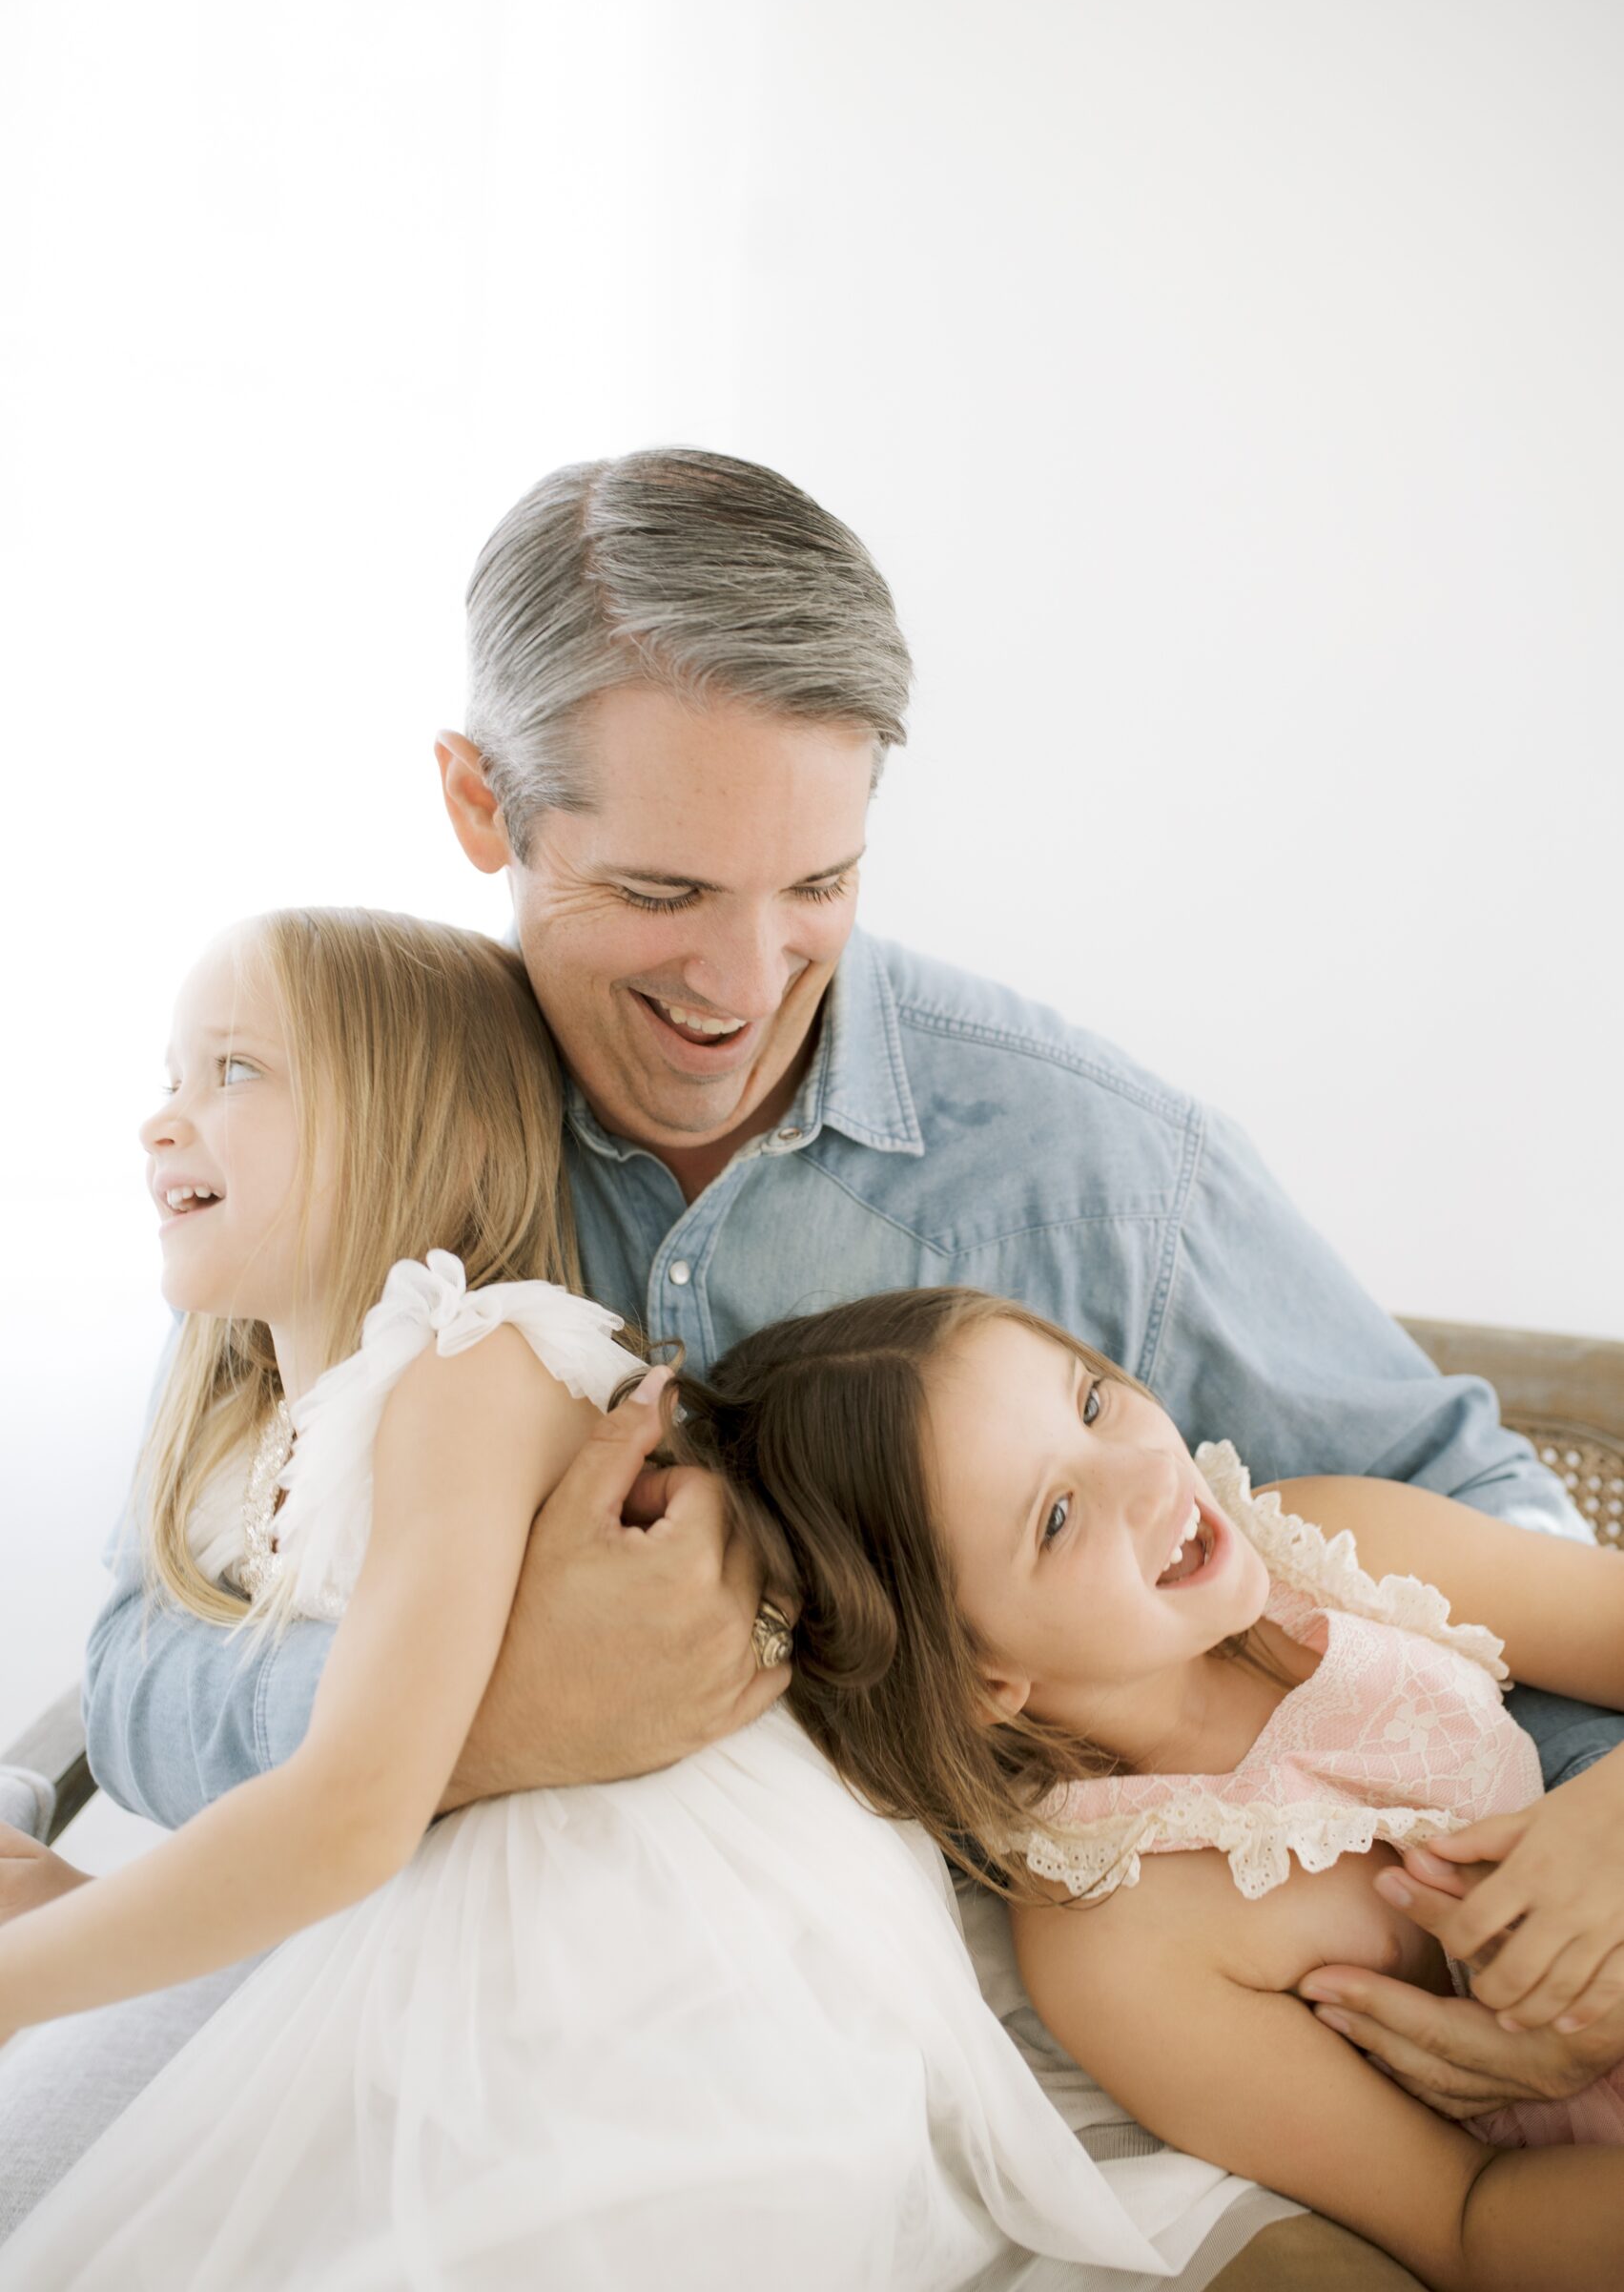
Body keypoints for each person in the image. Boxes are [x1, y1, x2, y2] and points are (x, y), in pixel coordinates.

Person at [3, 451, 1617, 2283]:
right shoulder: (378, 1137)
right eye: (661, 887)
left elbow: (1460, 1521)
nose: (744, 976)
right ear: (481, 805)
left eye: (819, 883)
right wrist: (489, 1718)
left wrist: (1602, 1827)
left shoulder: (1087, 1162)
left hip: (1062, 2047)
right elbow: (148, 1650)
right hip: (516, 2018)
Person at [0, 909, 1160, 2289]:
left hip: (655, 1938)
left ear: (409, 1127)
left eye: (234, 1072)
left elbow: (355, 1811)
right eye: (172, 1071)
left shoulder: (471, 1365)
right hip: (470, 1886)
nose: (162, 1120)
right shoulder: (263, 1426)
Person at [657, 1286, 1624, 2291]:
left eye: (1088, 1404)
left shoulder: (1334, 1548)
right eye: (1057, 1517)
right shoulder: (1115, 1944)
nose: (1148, 1475)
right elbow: (1464, 2220)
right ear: (985, 1681)